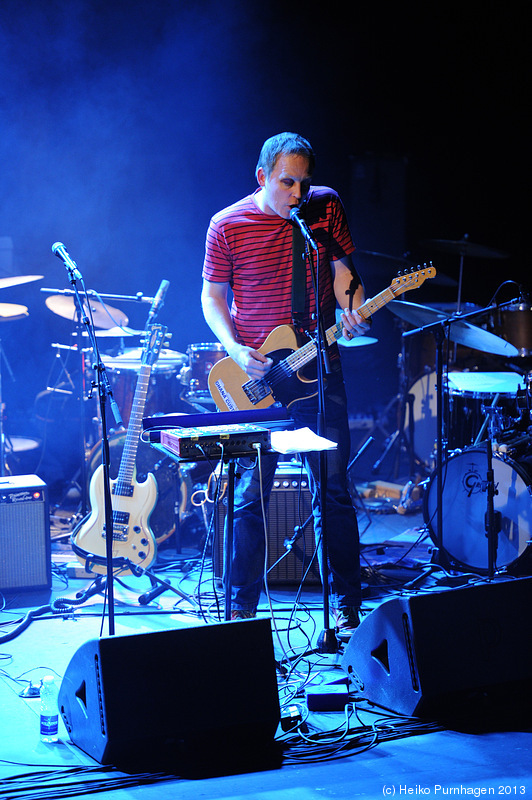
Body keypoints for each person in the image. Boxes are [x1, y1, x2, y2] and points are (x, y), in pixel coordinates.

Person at [201, 132, 370, 639]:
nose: (297, 193)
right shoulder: (226, 225)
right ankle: (240, 613)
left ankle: (345, 609)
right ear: (262, 177)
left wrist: (352, 306)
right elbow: (211, 299)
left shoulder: (324, 209)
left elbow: (344, 275)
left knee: (334, 492)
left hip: (317, 365)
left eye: (304, 182)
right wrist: (233, 350)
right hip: (256, 378)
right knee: (251, 497)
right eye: (286, 182)